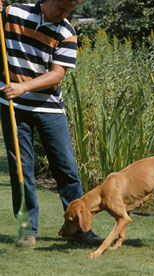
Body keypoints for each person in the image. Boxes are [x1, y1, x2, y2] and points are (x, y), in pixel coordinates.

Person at [0, 0, 103, 248]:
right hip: (14, 107)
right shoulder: (13, 13)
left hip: (49, 109)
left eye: (70, 11)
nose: (65, 15)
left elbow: (57, 75)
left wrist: (23, 86)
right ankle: (27, 229)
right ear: (48, 0)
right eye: (62, 8)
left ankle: (79, 229)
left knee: (66, 168)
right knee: (21, 170)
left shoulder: (67, 33)